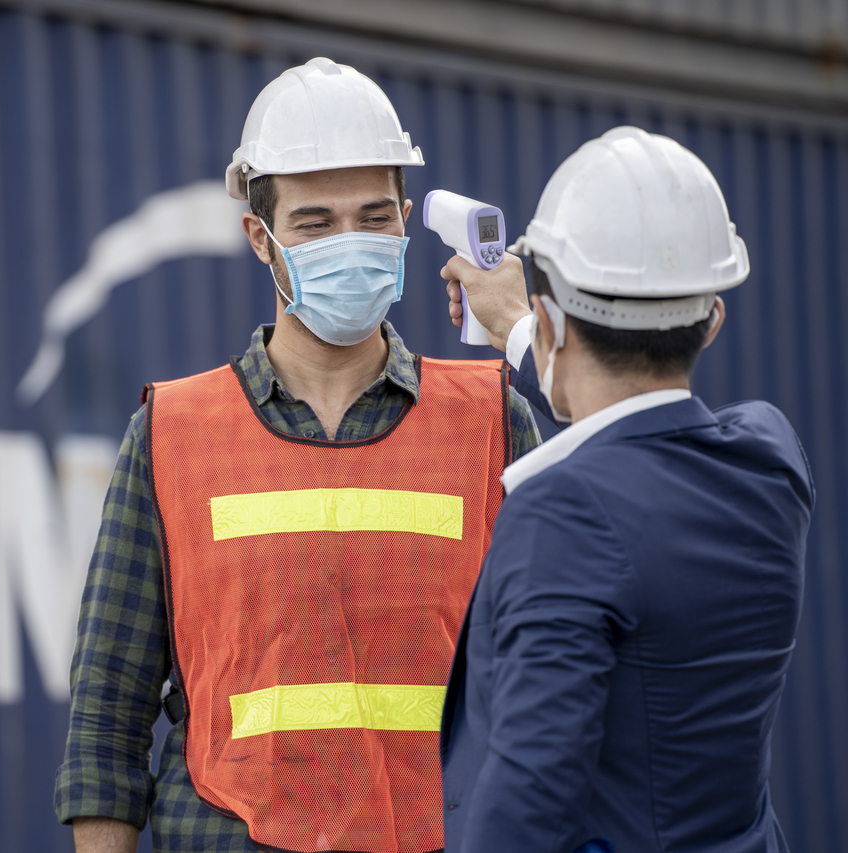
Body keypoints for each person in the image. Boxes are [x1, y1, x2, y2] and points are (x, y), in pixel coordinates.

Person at [55, 58, 541, 853]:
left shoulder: (493, 419)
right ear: (261, 237)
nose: (351, 242)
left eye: (375, 216)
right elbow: (109, 704)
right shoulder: (172, 431)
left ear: (409, 221)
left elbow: (567, 667)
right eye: (315, 223)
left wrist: (528, 337)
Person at [437, 127, 813, 852]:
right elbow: (642, 432)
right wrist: (527, 331)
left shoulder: (560, 518)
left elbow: (524, 812)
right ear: (712, 322)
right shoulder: (772, 462)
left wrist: (534, 331)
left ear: (554, 320)